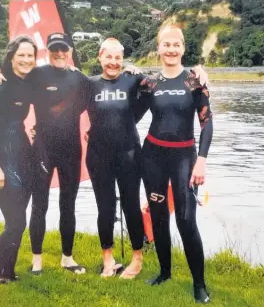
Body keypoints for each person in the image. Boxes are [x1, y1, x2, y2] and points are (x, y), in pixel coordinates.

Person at [0, 32, 92, 275]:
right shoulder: (36, 74)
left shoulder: (80, 79)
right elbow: (11, 77)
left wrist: (132, 72)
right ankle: (37, 261)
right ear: (47, 50)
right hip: (42, 149)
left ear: (71, 51)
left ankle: (68, 258)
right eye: (54, 48)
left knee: (69, 204)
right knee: (39, 205)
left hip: (71, 150)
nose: (60, 53)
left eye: (64, 49)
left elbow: (98, 95)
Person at [139, 24, 213, 303]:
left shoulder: (194, 81)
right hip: (153, 156)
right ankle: (164, 272)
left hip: (184, 157)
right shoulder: (150, 83)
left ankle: (199, 285)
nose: (170, 49)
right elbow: (130, 115)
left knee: (186, 220)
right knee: (158, 217)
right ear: (158, 48)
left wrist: (202, 161)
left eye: (176, 44)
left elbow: (207, 123)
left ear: (182, 48)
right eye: (165, 44)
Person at [86, 38, 146, 278]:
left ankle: (137, 258)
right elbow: (60, 96)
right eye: (108, 57)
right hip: (98, 155)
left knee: (131, 206)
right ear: (100, 56)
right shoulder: (88, 85)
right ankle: (108, 259)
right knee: (105, 208)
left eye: (118, 58)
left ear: (123, 59)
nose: (113, 62)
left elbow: (153, 91)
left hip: (129, 153)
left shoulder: (132, 80)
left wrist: (199, 73)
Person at [0, 35, 37, 283]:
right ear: (12, 58)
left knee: (19, 218)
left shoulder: (30, 83)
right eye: (21, 55)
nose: (26, 59)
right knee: (15, 219)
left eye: (30, 55)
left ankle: (9, 271)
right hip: (2, 158)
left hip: (23, 153)